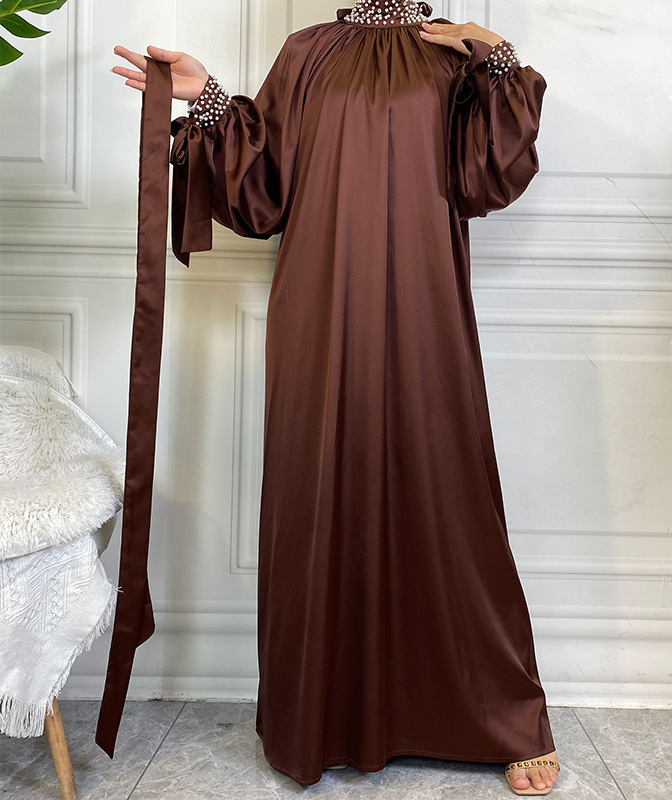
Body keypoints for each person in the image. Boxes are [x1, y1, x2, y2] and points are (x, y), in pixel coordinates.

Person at [111, 1, 559, 794]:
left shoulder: (452, 52)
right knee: (319, 498)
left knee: (449, 495)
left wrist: (496, 59)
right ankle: (320, 718)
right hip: (318, 314)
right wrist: (207, 94)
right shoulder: (307, 51)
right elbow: (264, 190)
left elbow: (487, 177)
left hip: (425, 310)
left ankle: (502, 714)